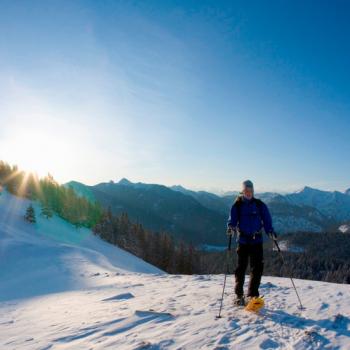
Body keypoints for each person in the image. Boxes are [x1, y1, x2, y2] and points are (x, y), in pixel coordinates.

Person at [227, 180, 277, 306]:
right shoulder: (237, 205)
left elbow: (267, 220)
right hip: (243, 241)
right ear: (242, 192)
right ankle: (239, 295)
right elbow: (232, 220)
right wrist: (230, 228)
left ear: (253, 192)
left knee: (257, 268)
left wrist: (270, 231)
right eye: (246, 191)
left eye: (250, 191)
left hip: (256, 240)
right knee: (241, 268)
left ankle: (252, 296)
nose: (248, 193)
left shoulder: (259, 205)